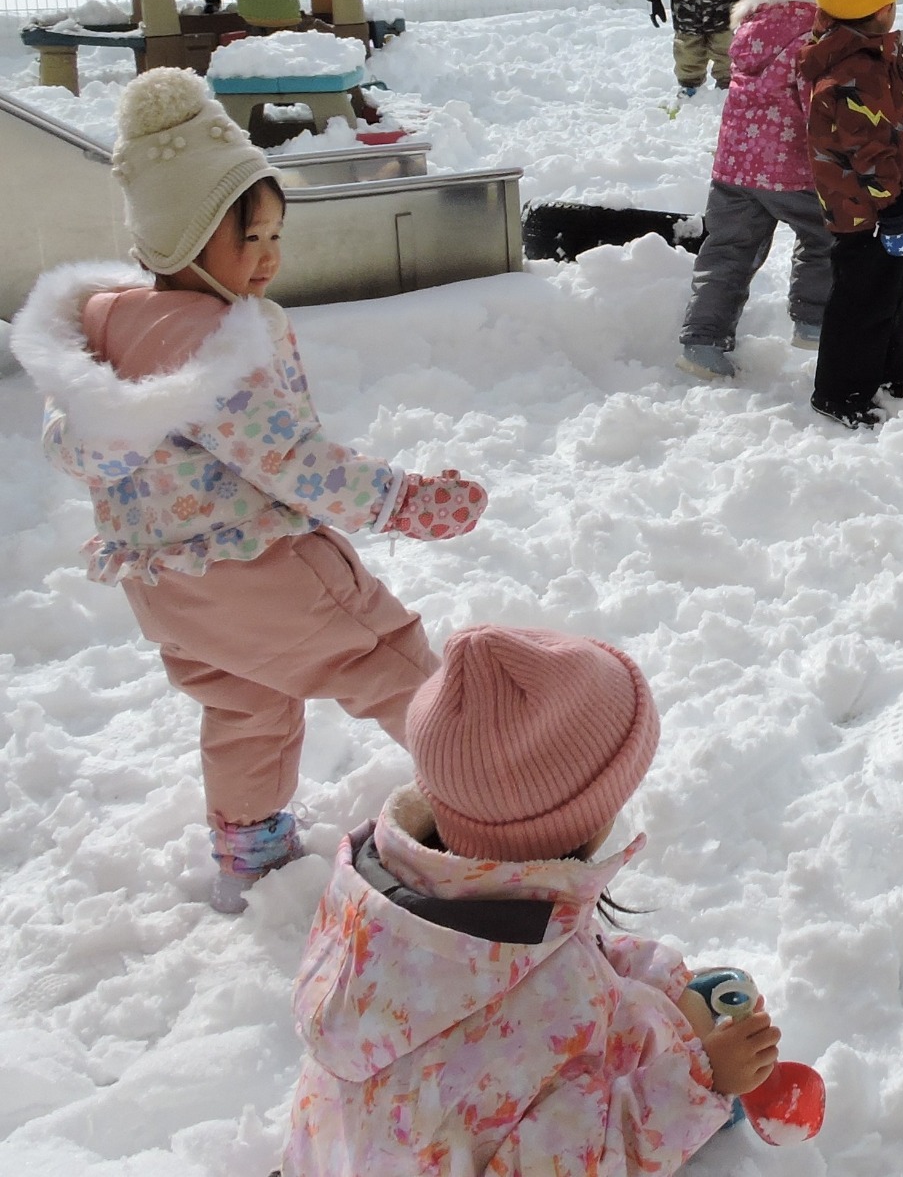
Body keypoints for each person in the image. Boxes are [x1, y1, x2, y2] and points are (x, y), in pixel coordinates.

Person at [10, 69, 484, 912]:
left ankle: (252, 849)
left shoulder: (107, 326)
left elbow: (70, 440)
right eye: (246, 237)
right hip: (257, 568)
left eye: (274, 234)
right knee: (386, 656)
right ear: (183, 238)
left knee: (247, 704)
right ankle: (492, 793)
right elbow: (291, 459)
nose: (268, 256)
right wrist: (403, 500)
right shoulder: (212, 346)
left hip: (168, 589)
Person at [283, 625, 786, 1175]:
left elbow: (537, 961)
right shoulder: (550, 999)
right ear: (578, 818)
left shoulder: (388, 892)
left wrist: (655, 977)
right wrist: (702, 1081)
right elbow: (580, 1159)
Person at [677, 0, 833, 380]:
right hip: (791, 170)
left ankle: (701, 342)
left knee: (726, 252)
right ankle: (813, 320)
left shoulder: (750, 27)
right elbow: (814, 106)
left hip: (734, 172)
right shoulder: (810, 32)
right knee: (824, 236)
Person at [797, 0, 903, 430]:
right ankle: (838, 390)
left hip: (882, 201)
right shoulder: (850, 74)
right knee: (862, 298)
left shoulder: (868, 54)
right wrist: (892, 207)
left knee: (896, 283)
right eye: (889, 2)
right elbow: (869, 151)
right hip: (864, 208)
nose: (895, 9)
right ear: (871, 9)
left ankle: (892, 372)